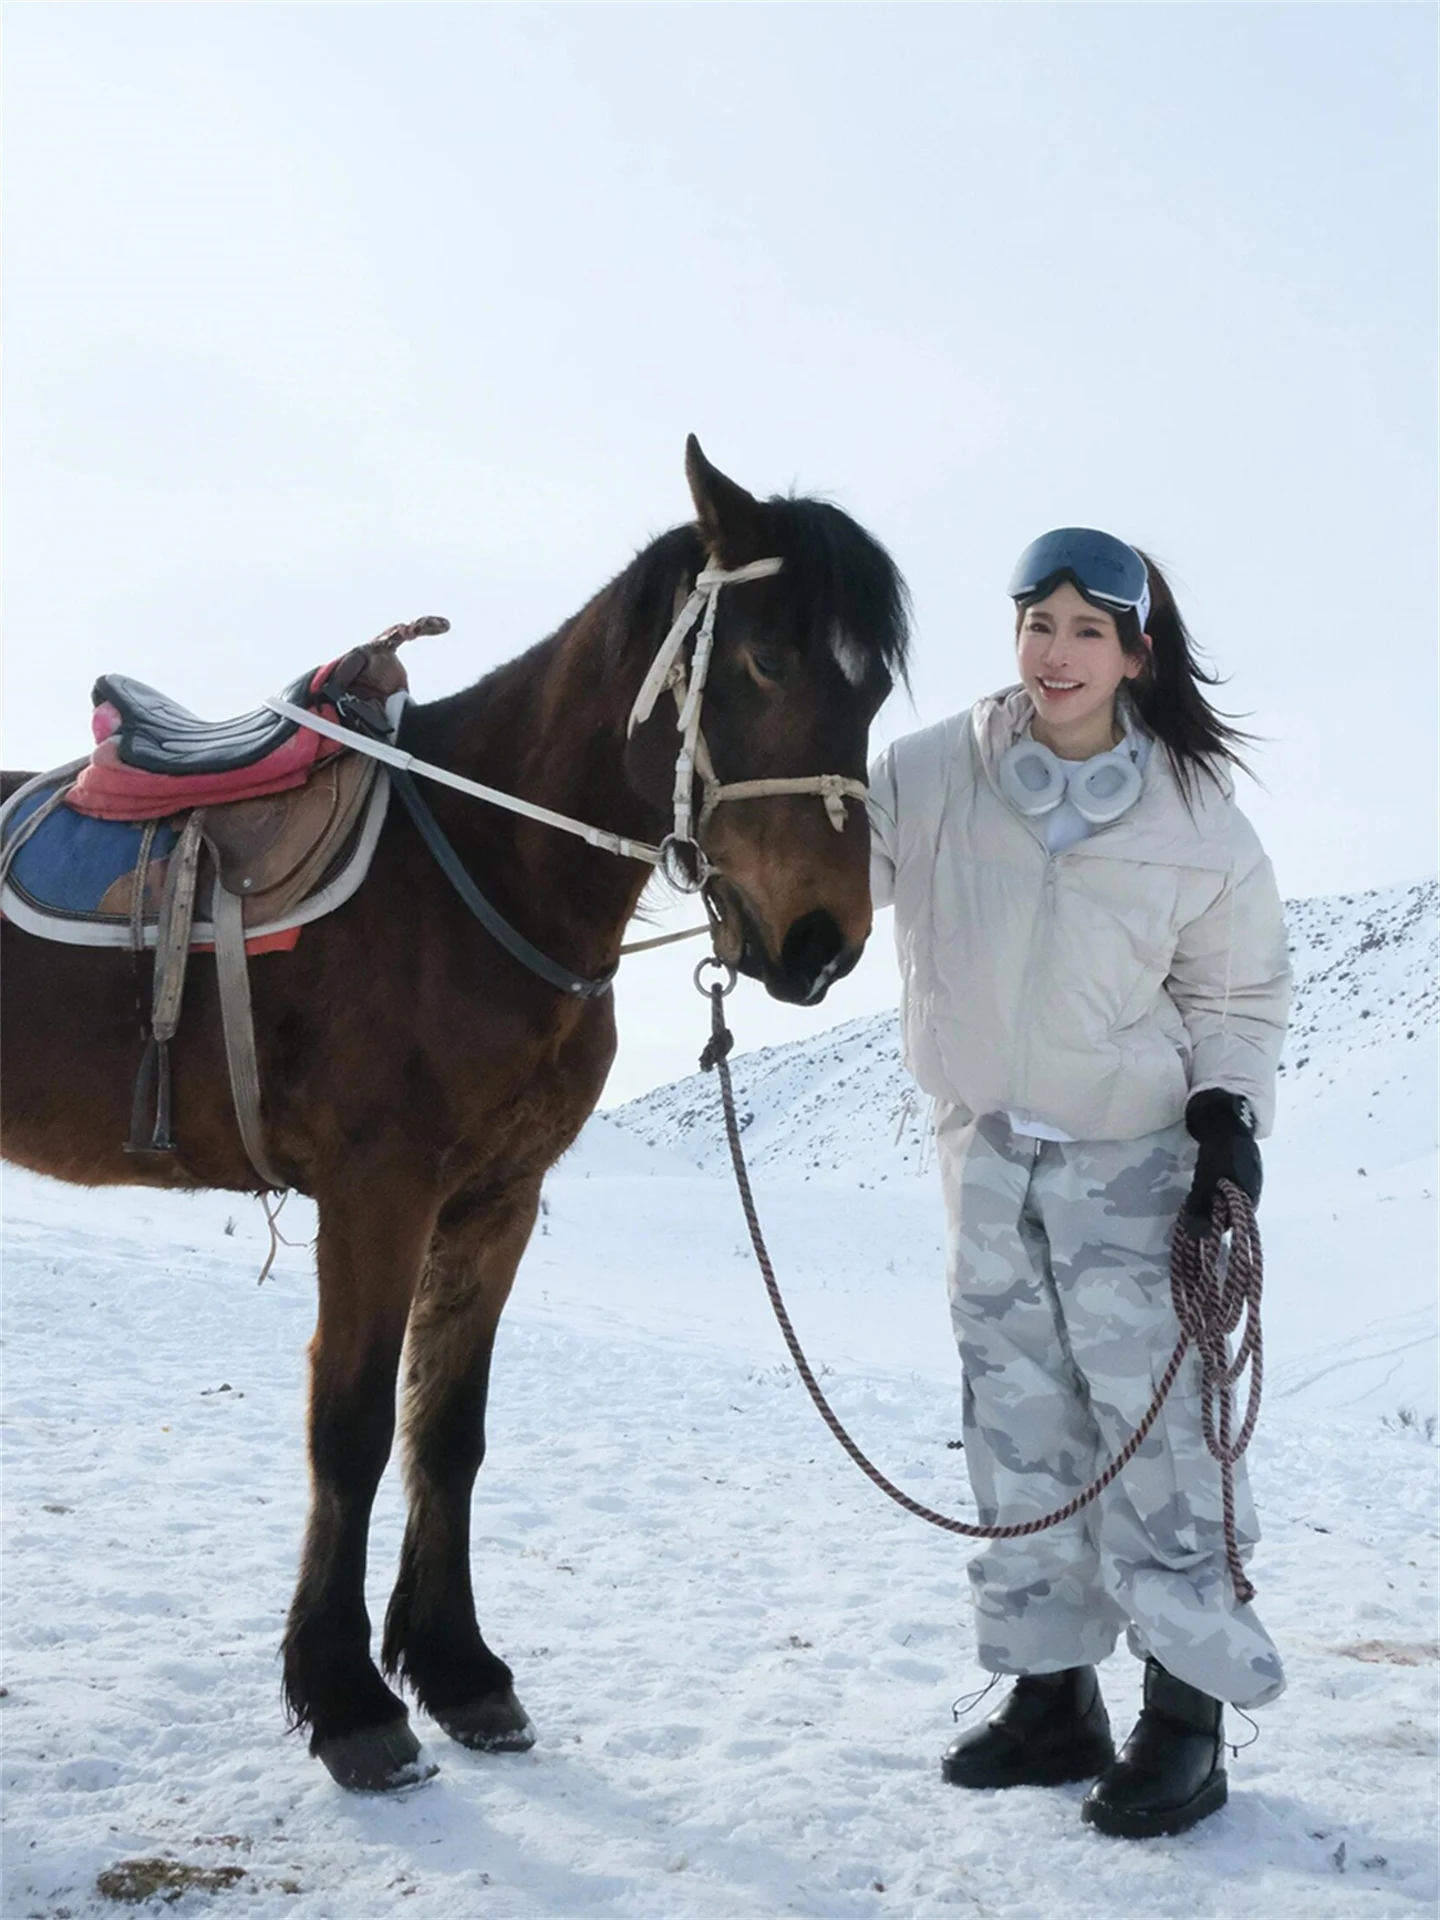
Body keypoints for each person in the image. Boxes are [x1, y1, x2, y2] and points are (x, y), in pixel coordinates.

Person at [867, 528, 1290, 1840]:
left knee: (1163, 1445)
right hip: (988, 1161)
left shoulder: (1196, 814)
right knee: (1018, 1432)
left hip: (1134, 1165)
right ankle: (1053, 1701)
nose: (1055, 654)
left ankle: (1187, 1722)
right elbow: (824, 869)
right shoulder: (930, 772)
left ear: (1134, 655)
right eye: (1037, 624)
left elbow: (1239, 994)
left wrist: (1229, 1117)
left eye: (1087, 632)